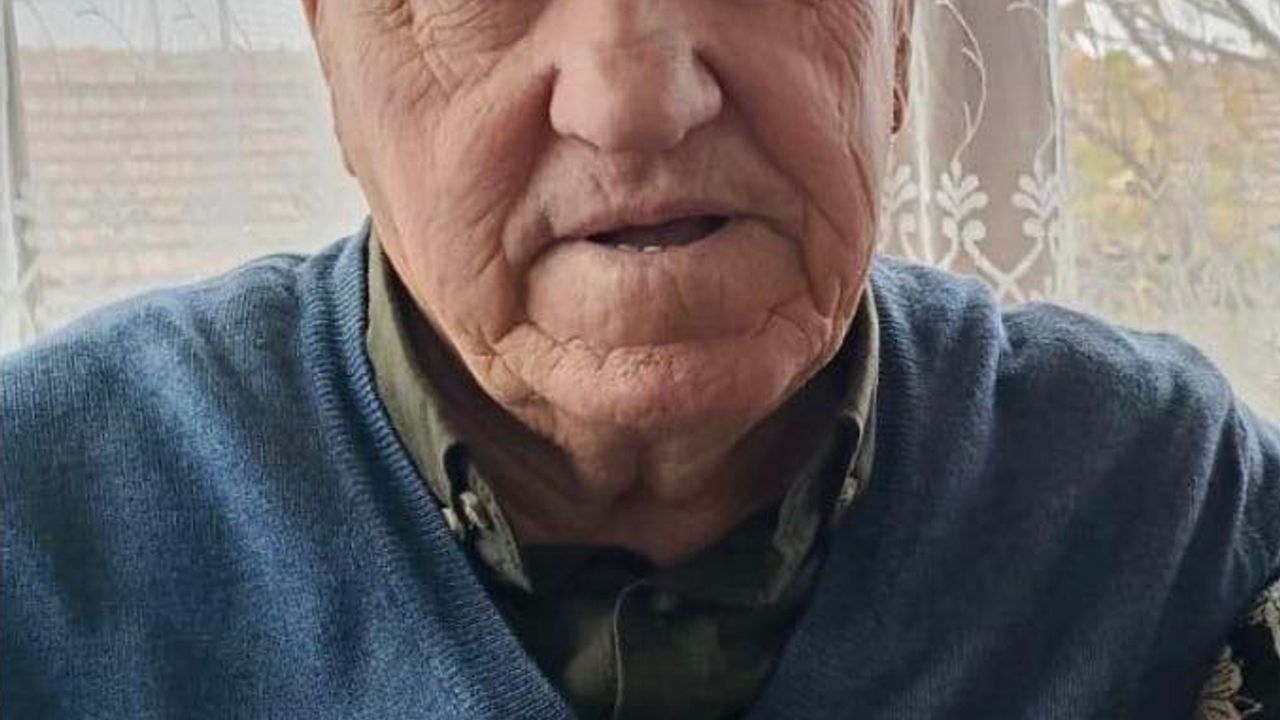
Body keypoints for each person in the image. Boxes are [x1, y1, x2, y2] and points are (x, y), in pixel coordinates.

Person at [3, 1, 1278, 717]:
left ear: (897, 40)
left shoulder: (1170, 511)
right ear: (333, 59)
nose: (634, 103)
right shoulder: (40, 530)